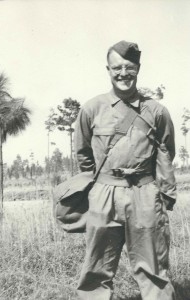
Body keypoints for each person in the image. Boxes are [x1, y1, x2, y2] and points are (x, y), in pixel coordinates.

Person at [74, 40, 176, 300]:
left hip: (144, 193)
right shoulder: (91, 109)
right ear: (107, 70)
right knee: (96, 269)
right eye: (116, 68)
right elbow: (83, 154)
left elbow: (166, 152)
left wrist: (161, 193)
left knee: (153, 268)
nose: (123, 74)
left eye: (129, 68)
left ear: (138, 69)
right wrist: (98, 186)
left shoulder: (156, 111)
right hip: (104, 194)